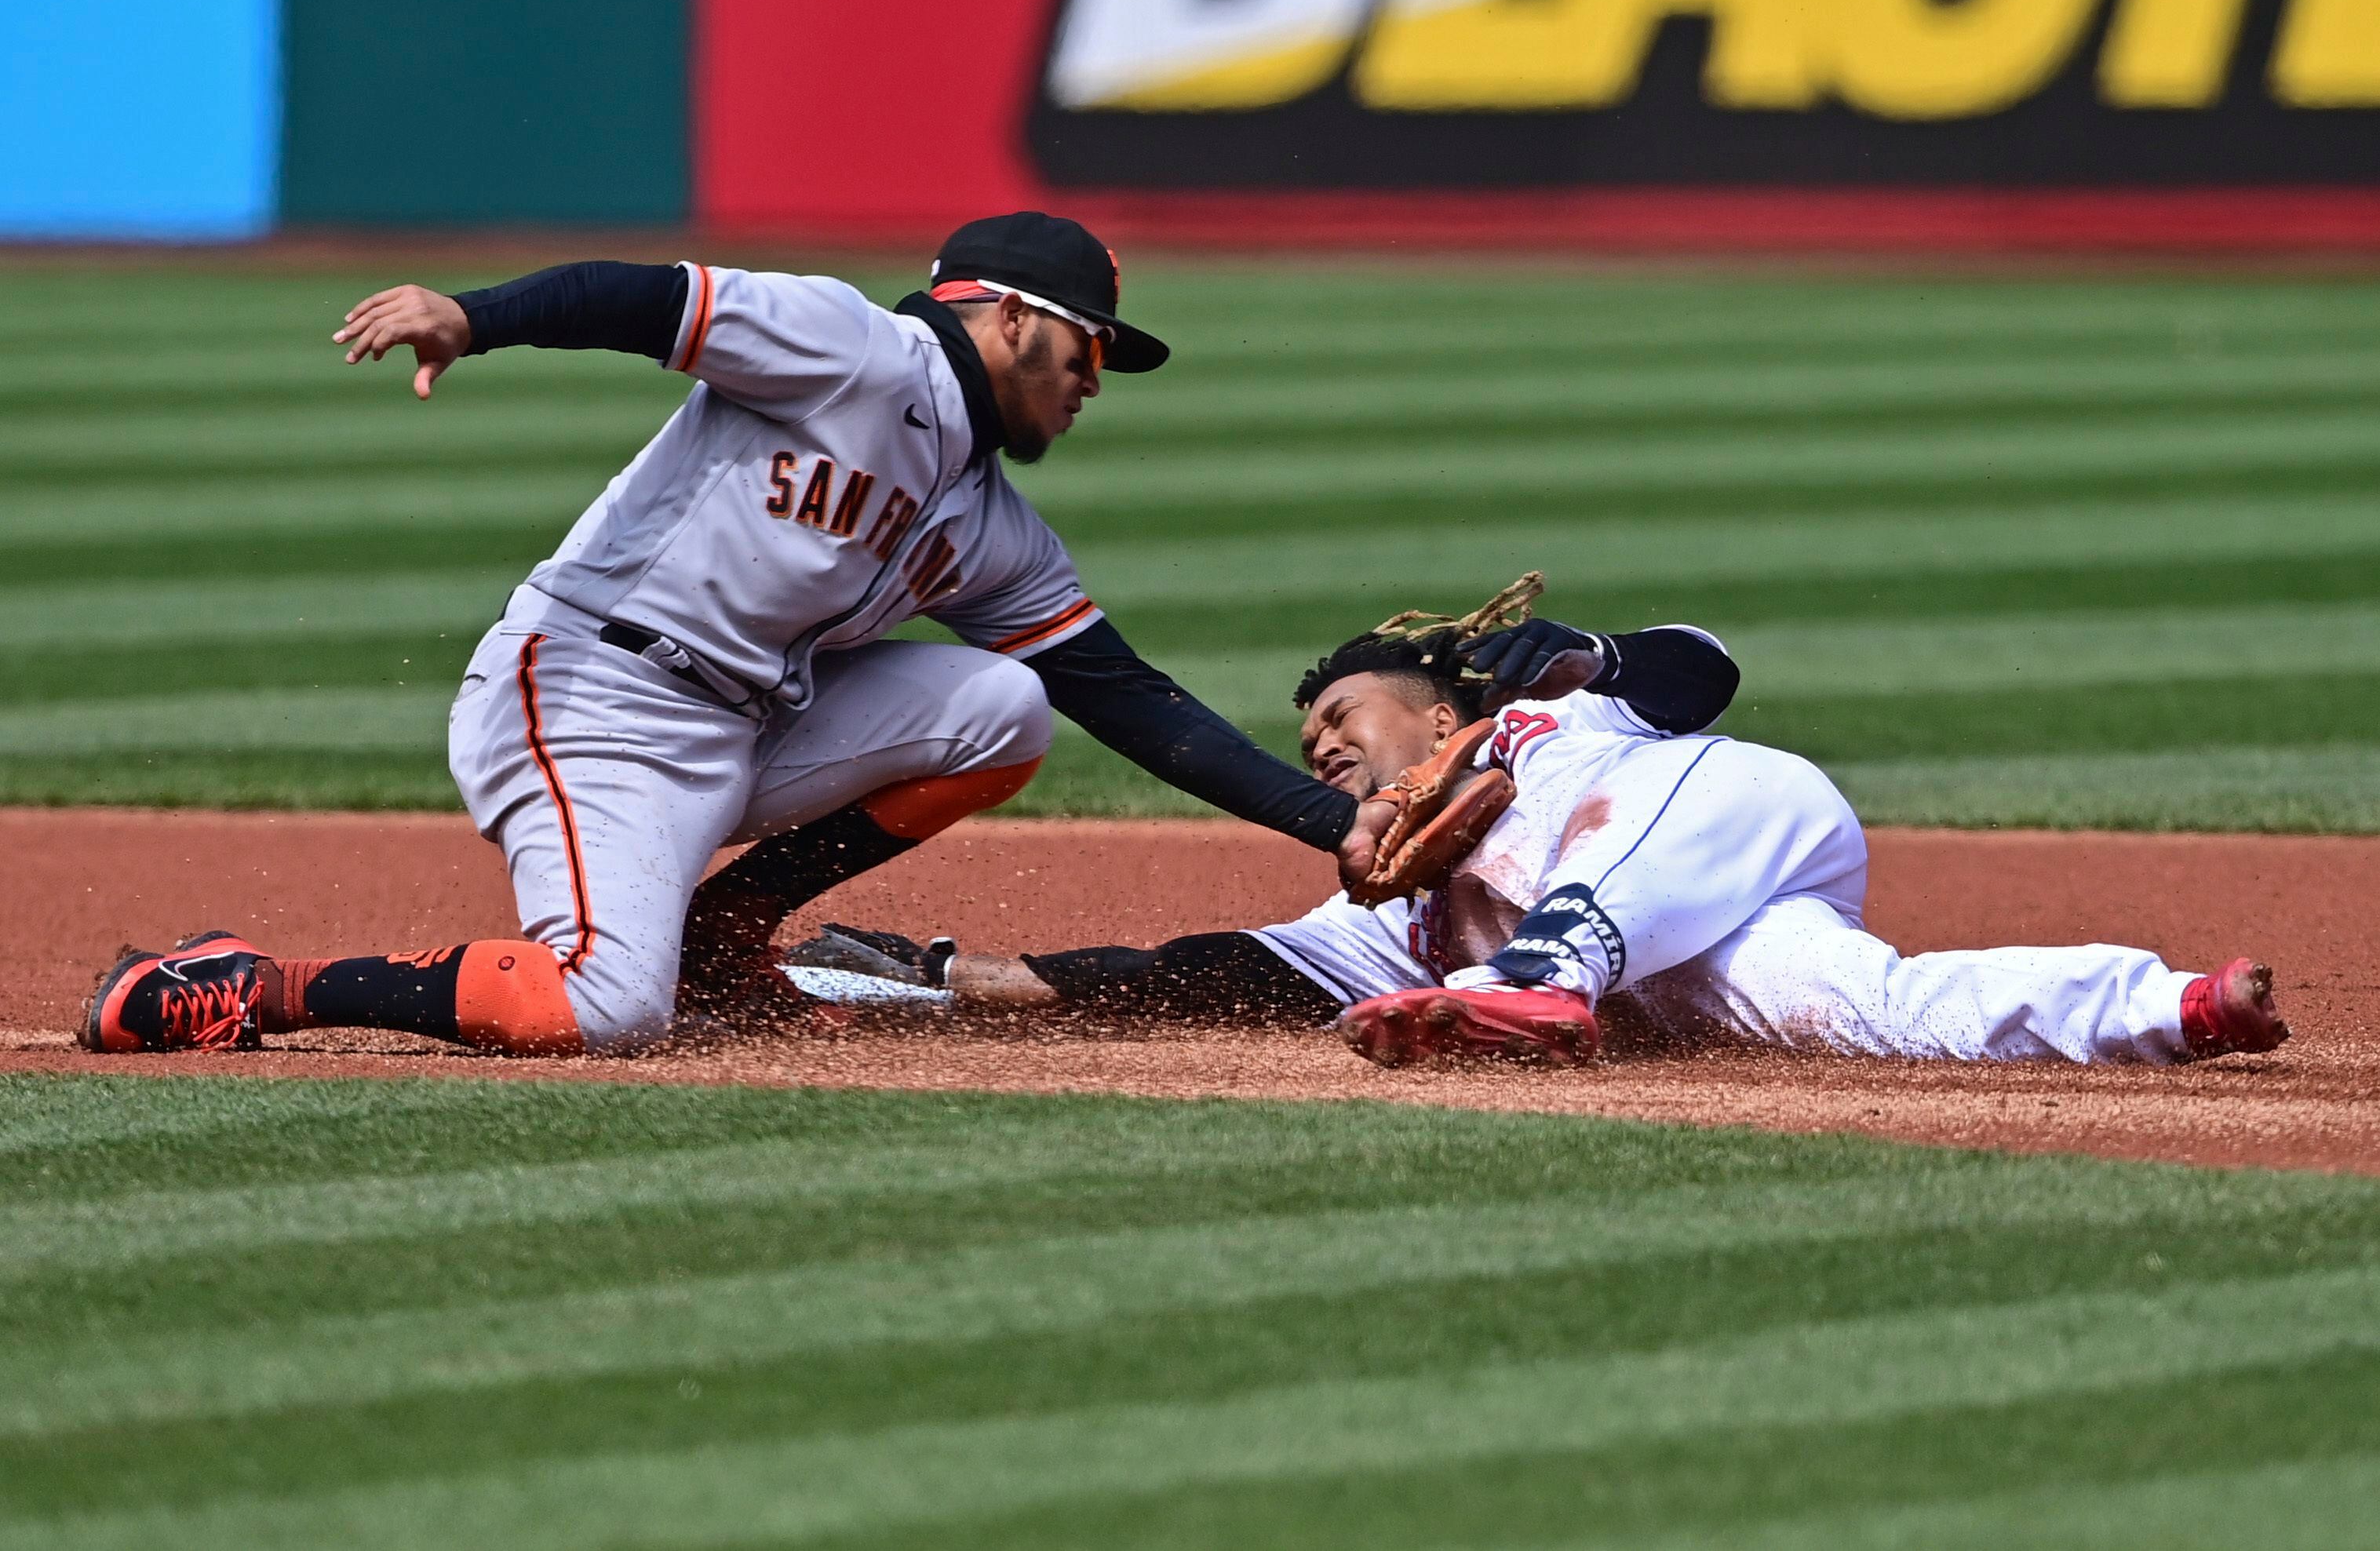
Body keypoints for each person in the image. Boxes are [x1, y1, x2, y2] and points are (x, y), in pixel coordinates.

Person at [84, 213, 1389, 1058]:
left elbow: (1127, 696)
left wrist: (1335, 826)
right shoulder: (850, 346)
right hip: (592, 694)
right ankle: (250, 983)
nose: (1093, 383)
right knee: (602, 1008)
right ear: (1008, 318)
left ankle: (728, 927)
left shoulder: (992, 528)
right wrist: (474, 316)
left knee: (1010, 708)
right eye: (1086, 351)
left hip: (746, 725)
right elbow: (645, 297)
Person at [799, 583, 2290, 1068]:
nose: (1324, 750)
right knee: (1865, 1009)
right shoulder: (1388, 897)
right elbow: (1204, 965)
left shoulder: (1540, 723)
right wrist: (951, 979)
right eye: (1310, 745)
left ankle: (1539, 985)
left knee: (1588, 861)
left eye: (1347, 723)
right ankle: (2170, 1004)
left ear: (1437, 719)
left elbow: (1697, 668)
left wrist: (1578, 662)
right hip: (1664, 949)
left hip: (1728, 818)